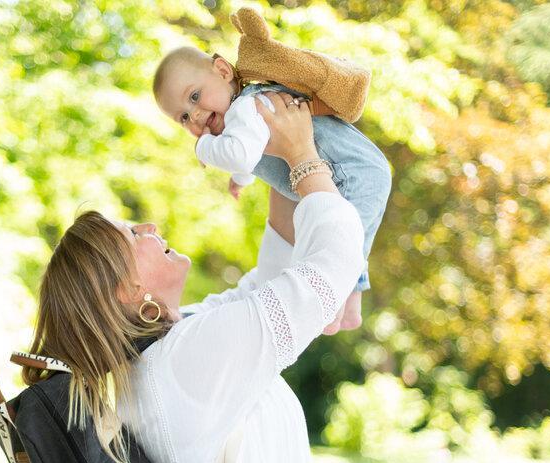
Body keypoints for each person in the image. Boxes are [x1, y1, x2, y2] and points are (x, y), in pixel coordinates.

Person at [22, 93, 364, 463]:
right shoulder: (188, 361)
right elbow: (325, 275)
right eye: (133, 234)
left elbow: (273, 276)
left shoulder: (179, 345)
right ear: (128, 292)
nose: (149, 224)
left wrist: (271, 158)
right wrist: (306, 158)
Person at [152, 46, 391, 333]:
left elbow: (240, 154)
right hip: (358, 174)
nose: (196, 116)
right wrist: (240, 179)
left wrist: (203, 148)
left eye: (194, 97)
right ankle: (349, 310)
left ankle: (334, 309)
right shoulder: (240, 120)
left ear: (223, 71)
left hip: (351, 176)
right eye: (183, 118)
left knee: (339, 249)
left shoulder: (247, 106)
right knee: (351, 246)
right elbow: (248, 152)